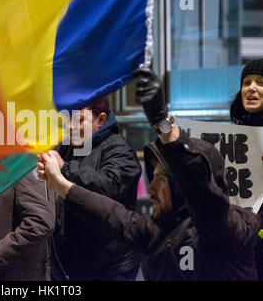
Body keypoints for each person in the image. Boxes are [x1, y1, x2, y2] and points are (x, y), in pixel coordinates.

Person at [37, 68, 261, 280]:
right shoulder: (157, 229)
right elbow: (109, 214)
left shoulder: (227, 228)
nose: (151, 188)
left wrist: (162, 122)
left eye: (161, 180)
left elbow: (201, 191)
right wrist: (60, 184)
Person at [51, 96, 142, 281]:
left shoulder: (119, 148)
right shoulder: (68, 147)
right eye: (68, 119)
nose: (70, 126)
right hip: (77, 263)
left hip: (111, 266)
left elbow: (108, 186)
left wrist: (65, 169)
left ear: (100, 120)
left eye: (79, 120)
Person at [229, 58, 263, 280]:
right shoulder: (231, 135)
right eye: (247, 82)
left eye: (260, 82)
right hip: (237, 235)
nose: (252, 88)